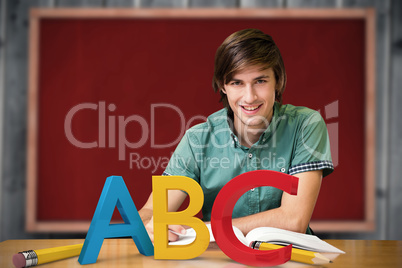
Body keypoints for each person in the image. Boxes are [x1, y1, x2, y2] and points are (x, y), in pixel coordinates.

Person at [139, 28, 333, 242]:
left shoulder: (305, 125)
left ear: (278, 80)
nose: (249, 97)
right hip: (219, 260)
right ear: (223, 85)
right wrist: (152, 225)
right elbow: (150, 212)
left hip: (289, 257)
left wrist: (199, 230)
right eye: (237, 83)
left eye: (260, 81)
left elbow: (293, 221)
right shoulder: (197, 140)